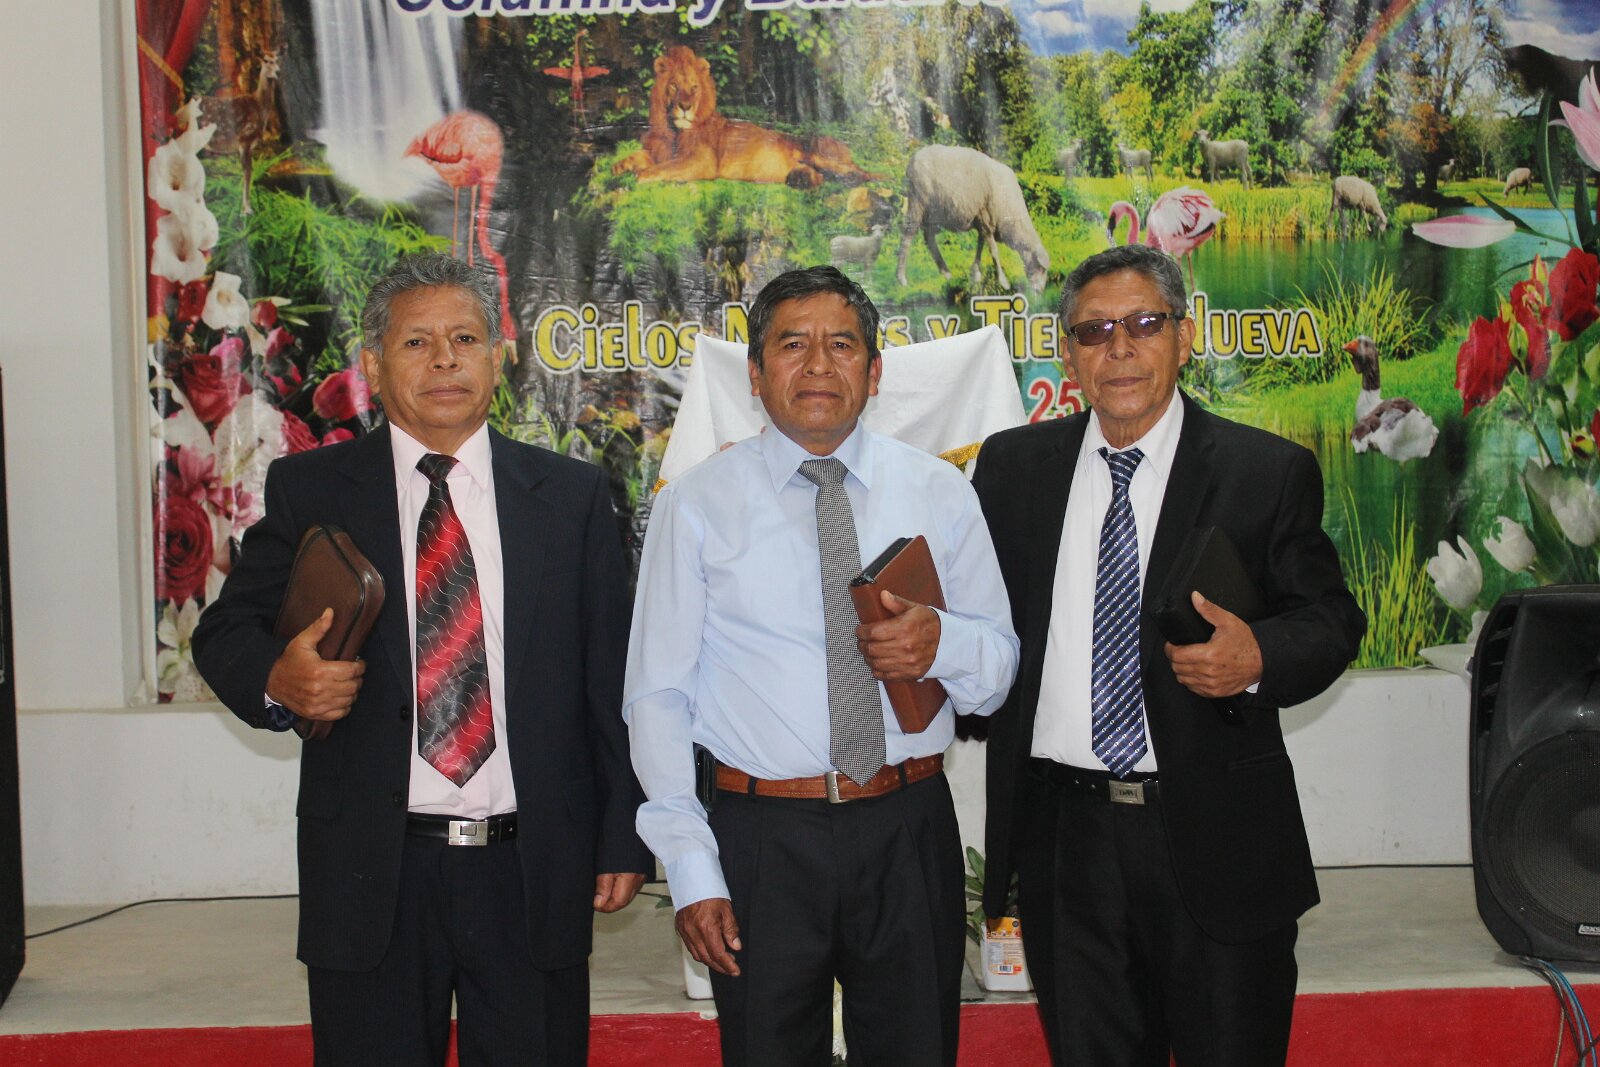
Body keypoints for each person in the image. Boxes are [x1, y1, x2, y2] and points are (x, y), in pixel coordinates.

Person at [192, 253, 652, 1065]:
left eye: (465, 339)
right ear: (373, 365)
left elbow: (607, 680)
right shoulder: (314, 489)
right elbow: (225, 630)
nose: (445, 360)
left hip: (530, 864)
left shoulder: (569, 496)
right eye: (417, 342)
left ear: (498, 357)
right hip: (374, 868)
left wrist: (622, 834)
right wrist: (278, 678)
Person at [973, 244, 1366, 1066]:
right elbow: (980, 622)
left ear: (1184, 338)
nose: (1119, 348)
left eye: (1144, 324)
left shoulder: (1264, 471)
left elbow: (1331, 620)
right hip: (1065, 841)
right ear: (1068, 353)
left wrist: (1257, 656)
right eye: (1094, 331)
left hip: (1216, 837)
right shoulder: (1012, 470)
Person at [624, 265, 1019, 1066]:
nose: (817, 365)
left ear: (875, 372)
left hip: (907, 825)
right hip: (762, 838)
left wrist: (942, 643)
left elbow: (998, 668)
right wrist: (693, 867)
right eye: (791, 345)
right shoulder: (695, 503)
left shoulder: (941, 491)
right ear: (755, 373)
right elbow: (657, 696)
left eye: (841, 345)